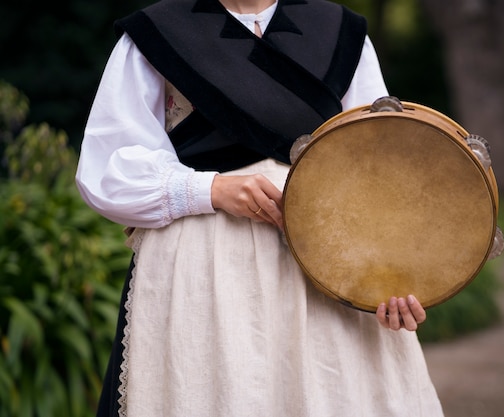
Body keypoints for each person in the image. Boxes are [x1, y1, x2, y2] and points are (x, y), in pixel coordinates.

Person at [76, 0, 444, 415]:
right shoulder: (158, 30)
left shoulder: (340, 31)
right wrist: (210, 190)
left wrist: (387, 280)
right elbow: (107, 167)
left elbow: (380, 170)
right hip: (201, 271)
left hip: (323, 270)